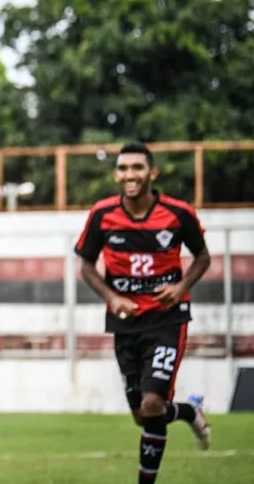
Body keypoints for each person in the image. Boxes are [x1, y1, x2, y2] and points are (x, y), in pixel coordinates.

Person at [74, 141, 212, 483]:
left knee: (152, 406)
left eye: (137, 168)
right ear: (116, 174)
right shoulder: (103, 215)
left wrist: (180, 288)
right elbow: (86, 267)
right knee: (142, 414)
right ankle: (190, 410)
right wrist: (111, 296)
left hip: (168, 320)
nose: (129, 175)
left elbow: (203, 257)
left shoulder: (179, 214)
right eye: (123, 168)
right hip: (125, 324)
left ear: (152, 173)